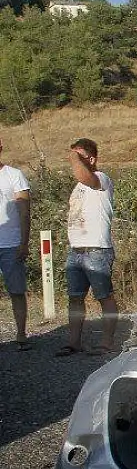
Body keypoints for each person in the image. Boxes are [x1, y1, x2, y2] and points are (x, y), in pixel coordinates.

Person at [57, 138, 117, 357]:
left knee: (104, 296)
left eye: (80, 157)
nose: (74, 161)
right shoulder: (79, 185)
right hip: (77, 249)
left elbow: (85, 176)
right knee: (75, 297)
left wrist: (74, 157)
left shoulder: (101, 178)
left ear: (91, 159)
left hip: (97, 249)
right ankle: (74, 342)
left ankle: (107, 343)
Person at [0, 135, 31, 351]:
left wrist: (24, 242)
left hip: (11, 243)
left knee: (17, 291)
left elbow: (24, 211)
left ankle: (21, 334)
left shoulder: (14, 175)